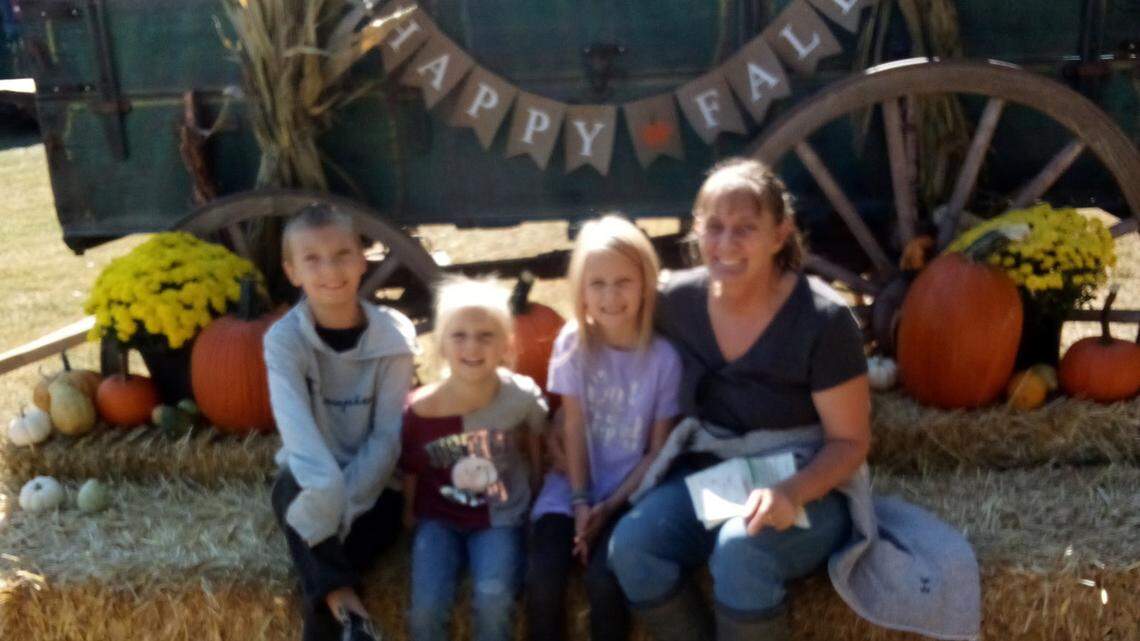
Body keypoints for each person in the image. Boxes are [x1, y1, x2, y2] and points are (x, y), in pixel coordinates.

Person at [607, 158, 981, 641]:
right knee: (633, 546)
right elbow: (599, 336)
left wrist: (791, 494)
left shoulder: (822, 319)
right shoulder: (675, 303)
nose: (726, 243)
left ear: (780, 234)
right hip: (718, 473)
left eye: (745, 228)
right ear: (696, 230)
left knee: (741, 550)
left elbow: (849, 443)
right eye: (714, 227)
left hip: (809, 478)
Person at [265, 203, 418, 641]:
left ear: (362, 260)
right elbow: (298, 434)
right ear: (292, 272)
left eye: (342, 255)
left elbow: (387, 437)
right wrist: (326, 498)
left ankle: (346, 611)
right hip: (307, 479)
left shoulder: (393, 336)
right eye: (312, 259)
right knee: (292, 494)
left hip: (376, 487)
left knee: (323, 561)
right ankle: (352, 614)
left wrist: (340, 511)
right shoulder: (284, 341)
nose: (330, 270)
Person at [525, 215, 682, 641]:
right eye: (597, 284)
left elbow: (657, 451)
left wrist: (607, 507)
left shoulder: (664, 359)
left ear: (646, 283)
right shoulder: (572, 343)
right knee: (542, 580)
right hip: (570, 489)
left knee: (604, 583)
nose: (610, 297)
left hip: (626, 494)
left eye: (623, 282)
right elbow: (573, 425)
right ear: (580, 289)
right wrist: (580, 500)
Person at [400, 276, 548, 641]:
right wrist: (409, 516)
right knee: (426, 609)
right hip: (440, 518)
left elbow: (538, 437)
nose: (472, 346)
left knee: (494, 600)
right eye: (459, 335)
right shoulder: (419, 410)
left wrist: (537, 488)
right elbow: (411, 469)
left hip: (499, 517)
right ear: (441, 344)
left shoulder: (521, 397)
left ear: (506, 344)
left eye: (486, 336)